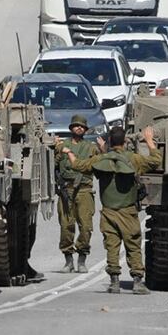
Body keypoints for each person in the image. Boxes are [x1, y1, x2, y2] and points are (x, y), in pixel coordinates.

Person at [63, 125, 162, 294]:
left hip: (108, 212)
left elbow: (78, 165)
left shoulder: (101, 160)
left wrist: (69, 153)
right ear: (124, 141)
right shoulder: (134, 159)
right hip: (128, 211)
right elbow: (155, 161)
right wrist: (150, 141)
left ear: (109, 141)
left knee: (112, 245)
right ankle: (137, 282)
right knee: (133, 245)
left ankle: (114, 282)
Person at [52, 115, 100, 274]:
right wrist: (55, 146)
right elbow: (54, 164)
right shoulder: (62, 146)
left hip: (84, 190)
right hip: (67, 190)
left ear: (85, 130)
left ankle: (82, 259)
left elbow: (101, 161)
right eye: (76, 126)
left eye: (82, 126)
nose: (79, 128)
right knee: (66, 226)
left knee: (86, 227)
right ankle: (68, 260)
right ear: (71, 128)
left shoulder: (90, 147)